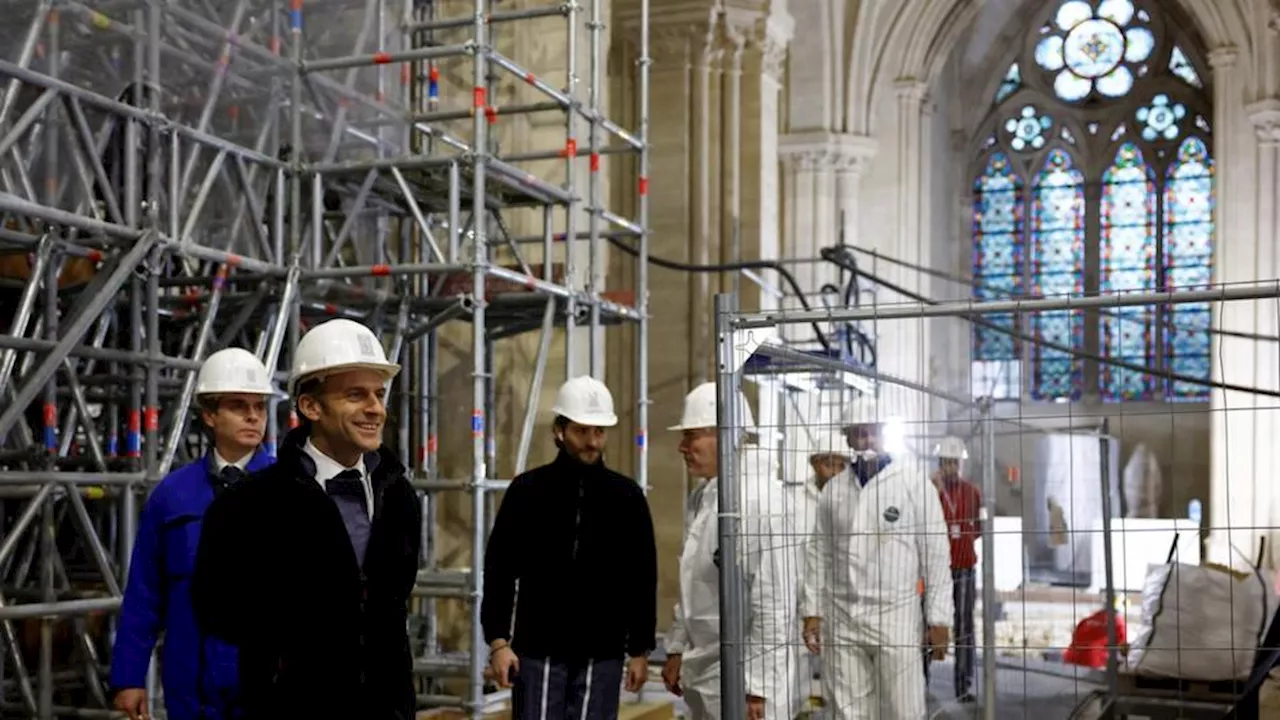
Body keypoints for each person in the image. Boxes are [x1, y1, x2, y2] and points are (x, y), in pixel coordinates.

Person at [191, 318, 422, 719]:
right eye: (355, 395)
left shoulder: (398, 494)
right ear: (310, 406)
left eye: (379, 394)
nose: (375, 409)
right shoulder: (250, 503)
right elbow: (217, 608)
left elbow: (395, 599)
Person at [111, 348, 275, 720]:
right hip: (191, 682)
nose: (253, 416)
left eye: (260, 406)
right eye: (238, 405)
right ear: (210, 415)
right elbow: (145, 591)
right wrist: (128, 676)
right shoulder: (172, 495)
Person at [481, 375, 658, 719]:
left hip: (603, 655)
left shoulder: (627, 497)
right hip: (538, 652)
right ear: (559, 432)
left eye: (599, 432)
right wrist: (498, 642)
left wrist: (640, 648)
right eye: (582, 431)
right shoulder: (527, 492)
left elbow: (641, 577)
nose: (592, 442)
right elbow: (499, 569)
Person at [800, 397, 953, 719]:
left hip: (895, 616)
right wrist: (812, 610)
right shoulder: (835, 490)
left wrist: (939, 618)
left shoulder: (912, 483)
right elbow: (820, 554)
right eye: (860, 433)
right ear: (848, 438)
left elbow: (936, 553)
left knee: (902, 709)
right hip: (843, 616)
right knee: (847, 710)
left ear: (886, 434)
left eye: (873, 432)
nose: (867, 440)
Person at [660, 382, 795, 720]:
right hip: (705, 669)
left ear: (726, 433)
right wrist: (676, 647)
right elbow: (690, 582)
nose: (682, 446)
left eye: (692, 436)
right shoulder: (705, 497)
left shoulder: (762, 501)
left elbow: (774, 602)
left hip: (744, 675)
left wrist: (759, 688)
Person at [790, 428, 853, 716]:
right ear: (814, 463)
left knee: (841, 680)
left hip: (840, 601)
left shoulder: (854, 503)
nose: (835, 471)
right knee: (796, 672)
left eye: (841, 465)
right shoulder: (793, 503)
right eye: (829, 463)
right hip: (797, 601)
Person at [929, 435, 982, 702]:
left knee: (964, 627)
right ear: (939, 463)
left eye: (954, 463)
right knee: (928, 622)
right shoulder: (929, 491)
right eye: (946, 463)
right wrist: (935, 489)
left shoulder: (973, 493)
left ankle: (963, 686)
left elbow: (978, 529)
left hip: (964, 568)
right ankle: (921, 681)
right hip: (934, 570)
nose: (950, 468)